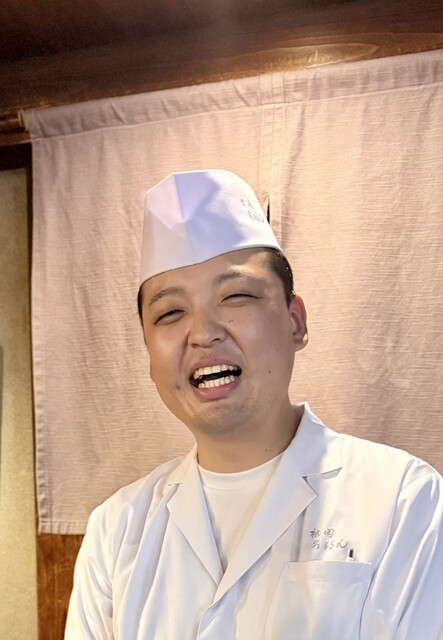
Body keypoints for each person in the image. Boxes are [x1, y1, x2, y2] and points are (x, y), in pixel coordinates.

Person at [65, 169, 443, 639]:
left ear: (295, 321)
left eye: (237, 297)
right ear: (148, 352)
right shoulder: (116, 530)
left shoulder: (404, 500)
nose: (203, 334)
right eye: (170, 312)